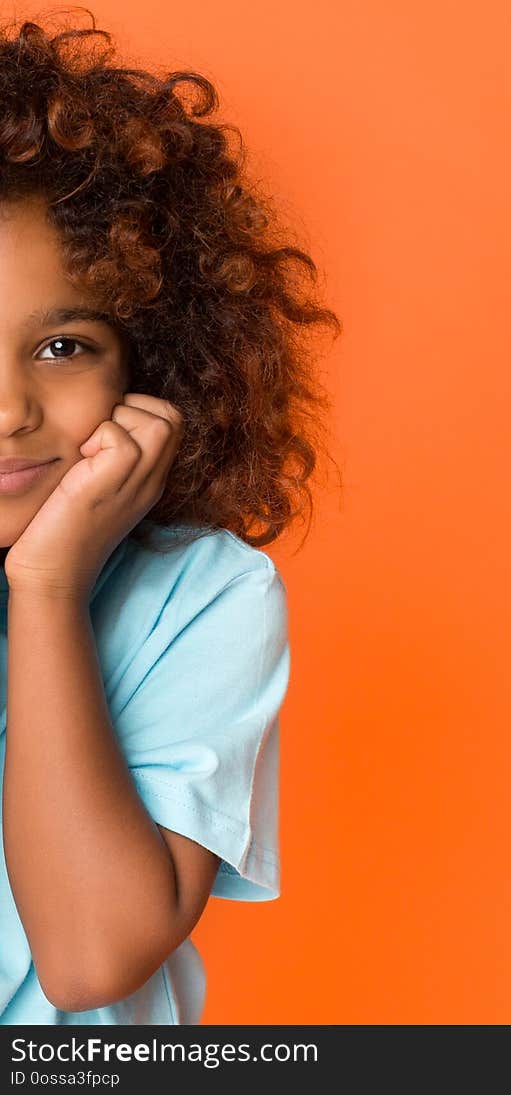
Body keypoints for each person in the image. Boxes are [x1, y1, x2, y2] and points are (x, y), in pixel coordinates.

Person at [0, 9, 340, 1024]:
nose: (10, 412)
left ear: (150, 357)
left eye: (63, 347)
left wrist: (51, 590)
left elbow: (92, 960)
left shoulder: (205, 594)